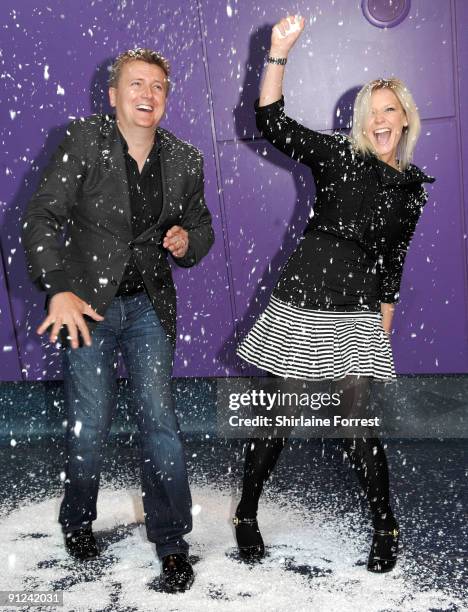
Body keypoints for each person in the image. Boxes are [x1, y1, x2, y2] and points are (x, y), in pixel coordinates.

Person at [234, 16, 435, 572]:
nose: (379, 120)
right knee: (276, 419)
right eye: (370, 113)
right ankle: (246, 512)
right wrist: (278, 52)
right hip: (301, 301)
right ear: (360, 124)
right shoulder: (338, 156)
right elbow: (272, 122)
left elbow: (393, 262)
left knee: (357, 430)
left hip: (357, 316)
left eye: (388, 110)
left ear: (405, 120)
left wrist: (383, 332)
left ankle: (385, 525)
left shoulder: (411, 190)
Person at [22, 48, 214, 593]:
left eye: (157, 86)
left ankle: (173, 543)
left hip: (150, 308)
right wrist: (57, 287)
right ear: (114, 95)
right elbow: (41, 216)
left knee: (162, 425)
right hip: (87, 308)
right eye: (136, 84)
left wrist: (187, 241)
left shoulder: (185, 159)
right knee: (91, 426)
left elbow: (201, 229)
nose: (147, 94)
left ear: (166, 98)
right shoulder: (84, 140)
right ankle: (78, 519)